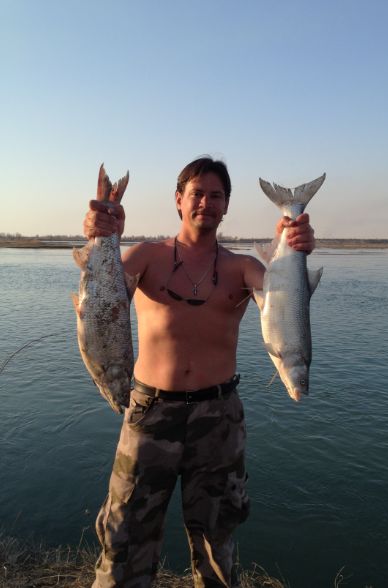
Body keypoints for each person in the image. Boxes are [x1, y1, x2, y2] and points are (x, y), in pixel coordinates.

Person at [83, 157, 315, 588]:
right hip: (149, 412)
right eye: (197, 194)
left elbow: (283, 302)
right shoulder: (145, 257)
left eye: (216, 195)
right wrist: (100, 234)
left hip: (219, 417)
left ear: (226, 206)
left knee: (216, 542)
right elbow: (99, 297)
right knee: (124, 535)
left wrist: (295, 244)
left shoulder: (242, 268)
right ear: (179, 199)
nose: (206, 202)